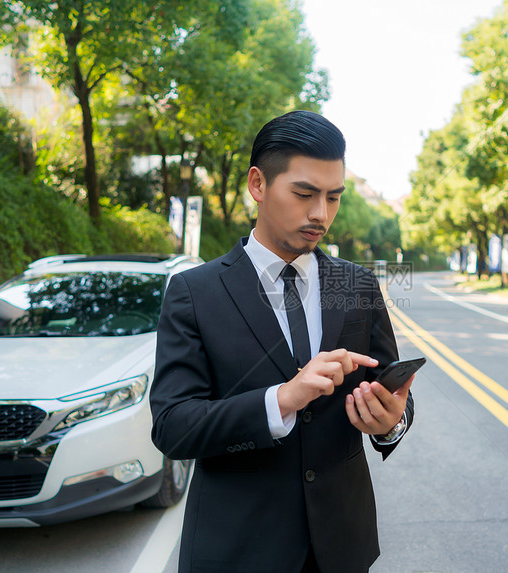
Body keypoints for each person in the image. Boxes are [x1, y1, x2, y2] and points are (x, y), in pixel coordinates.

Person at [150, 110, 415, 573]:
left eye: (334, 197)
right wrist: (281, 399)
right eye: (305, 194)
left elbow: (391, 392)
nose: (322, 214)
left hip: (341, 548)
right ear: (258, 184)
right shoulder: (194, 292)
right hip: (237, 550)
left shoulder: (357, 285)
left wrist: (390, 421)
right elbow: (174, 427)